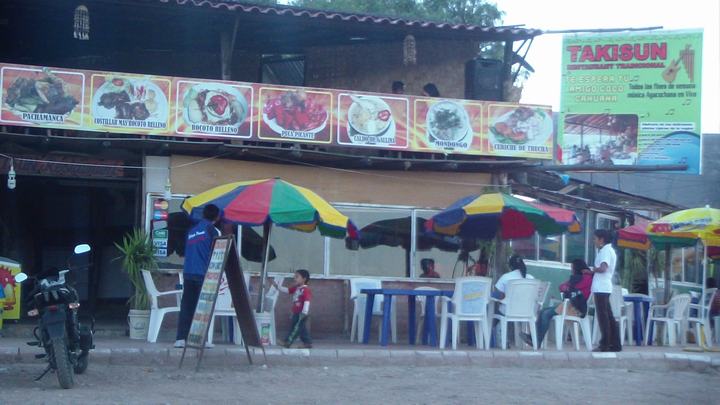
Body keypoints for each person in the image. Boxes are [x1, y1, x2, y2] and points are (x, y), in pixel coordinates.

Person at [174, 204, 221, 348]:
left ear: (203, 214)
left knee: (187, 306)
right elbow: (217, 253)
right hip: (203, 274)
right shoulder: (212, 230)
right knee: (203, 308)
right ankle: (200, 340)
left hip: (188, 272)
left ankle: (181, 339)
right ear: (217, 217)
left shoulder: (192, 230)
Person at [521, 259, 593, 347]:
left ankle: (536, 341)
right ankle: (534, 338)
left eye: (572, 268)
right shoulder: (576, 278)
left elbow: (574, 286)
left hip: (577, 308)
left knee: (546, 314)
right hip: (569, 305)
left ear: (577, 268)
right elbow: (561, 286)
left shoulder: (587, 278)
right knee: (543, 312)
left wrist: (568, 287)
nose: (571, 270)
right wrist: (568, 287)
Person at [586, 229, 621, 352]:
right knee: (609, 316)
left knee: (603, 317)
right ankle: (615, 344)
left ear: (601, 240)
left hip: (601, 287)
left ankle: (604, 344)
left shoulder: (605, 251)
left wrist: (591, 270)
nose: (594, 241)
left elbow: (603, 268)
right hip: (604, 287)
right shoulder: (609, 250)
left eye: (595, 239)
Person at [270, 269, 313, 349]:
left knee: (295, 329)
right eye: (294, 277)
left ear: (304, 279)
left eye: (297, 277)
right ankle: (307, 343)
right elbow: (287, 290)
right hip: (296, 312)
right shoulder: (297, 288)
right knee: (301, 328)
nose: (294, 279)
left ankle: (287, 342)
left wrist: (304, 312)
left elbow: (307, 301)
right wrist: (277, 286)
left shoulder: (305, 290)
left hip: (301, 313)